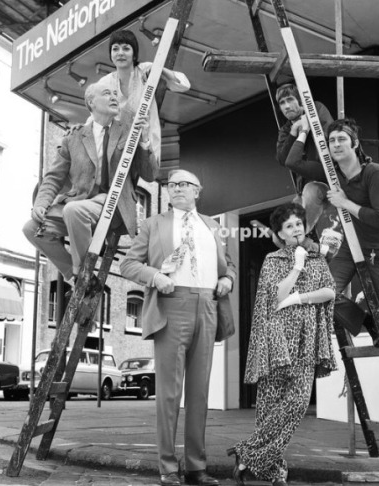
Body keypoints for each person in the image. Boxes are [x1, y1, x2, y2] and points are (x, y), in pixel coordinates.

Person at [120, 169, 236, 486]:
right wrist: (155, 277)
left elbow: (229, 266)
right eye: (172, 185)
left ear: (198, 190)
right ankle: (168, 468)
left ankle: (197, 468)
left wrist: (228, 279)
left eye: (184, 184)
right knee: (169, 395)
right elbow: (128, 263)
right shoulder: (153, 224)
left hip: (208, 306)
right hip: (171, 305)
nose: (177, 189)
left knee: (200, 393)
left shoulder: (213, 226)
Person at [227, 203, 336, 486]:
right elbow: (275, 296)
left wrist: (300, 298)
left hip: (306, 338)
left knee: (298, 402)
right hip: (276, 340)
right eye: (289, 226)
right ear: (280, 234)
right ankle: (274, 471)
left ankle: (247, 454)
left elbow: (329, 291)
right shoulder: (272, 260)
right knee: (269, 406)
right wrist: (297, 266)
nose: (296, 229)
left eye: (298, 223)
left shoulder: (318, 259)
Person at [23, 79, 159, 285]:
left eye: (115, 94)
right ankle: (74, 275)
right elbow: (54, 177)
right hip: (81, 203)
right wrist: (41, 203)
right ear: (91, 103)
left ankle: (82, 273)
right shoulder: (73, 137)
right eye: (107, 93)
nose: (114, 97)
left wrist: (144, 140)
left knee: (73, 211)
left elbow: (150, 175)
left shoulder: (128, 131)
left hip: (114, 205)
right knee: (30, 229)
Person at [322, 118, 379, 400]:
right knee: (323, 293)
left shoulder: (375, 172)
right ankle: (369, 324)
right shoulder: (335, 176)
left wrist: (345, 202)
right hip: (350, 248)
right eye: (332, 140)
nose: (336, 144)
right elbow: (293, 161)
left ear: (355, 144)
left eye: (341, 140)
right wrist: (297, 131)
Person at [100, 29, 190, 163]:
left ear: (134, 54)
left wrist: (159, 70)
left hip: (146, 143)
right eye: (115, 49)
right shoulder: (105, 82)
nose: (120, 53)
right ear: (110, 54)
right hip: (120, 150)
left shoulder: (144, 69)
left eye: (126, 48)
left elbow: (183, 84)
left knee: (145, 179)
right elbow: (96, 115)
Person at [276, 83, 333, 192]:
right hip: (305, 182)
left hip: (327, 169)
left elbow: (326, 136)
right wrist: (293, 132)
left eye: (290, 100)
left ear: (300, 100)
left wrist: (306, 124)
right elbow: (283, 160)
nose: (287, 106)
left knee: (311, 192)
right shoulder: (285, 129)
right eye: (282, 103)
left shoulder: (315, 108)